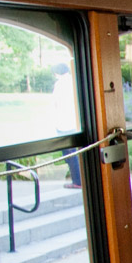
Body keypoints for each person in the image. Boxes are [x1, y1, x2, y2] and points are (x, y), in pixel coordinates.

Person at [51, 60, 82, 189]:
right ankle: (80, 179)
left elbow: (56, 104)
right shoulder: (74, 81)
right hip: (75, 123)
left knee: (70, 155)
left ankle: (77, 181)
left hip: (65, 125)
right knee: (75, 154)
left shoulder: (59, 85)